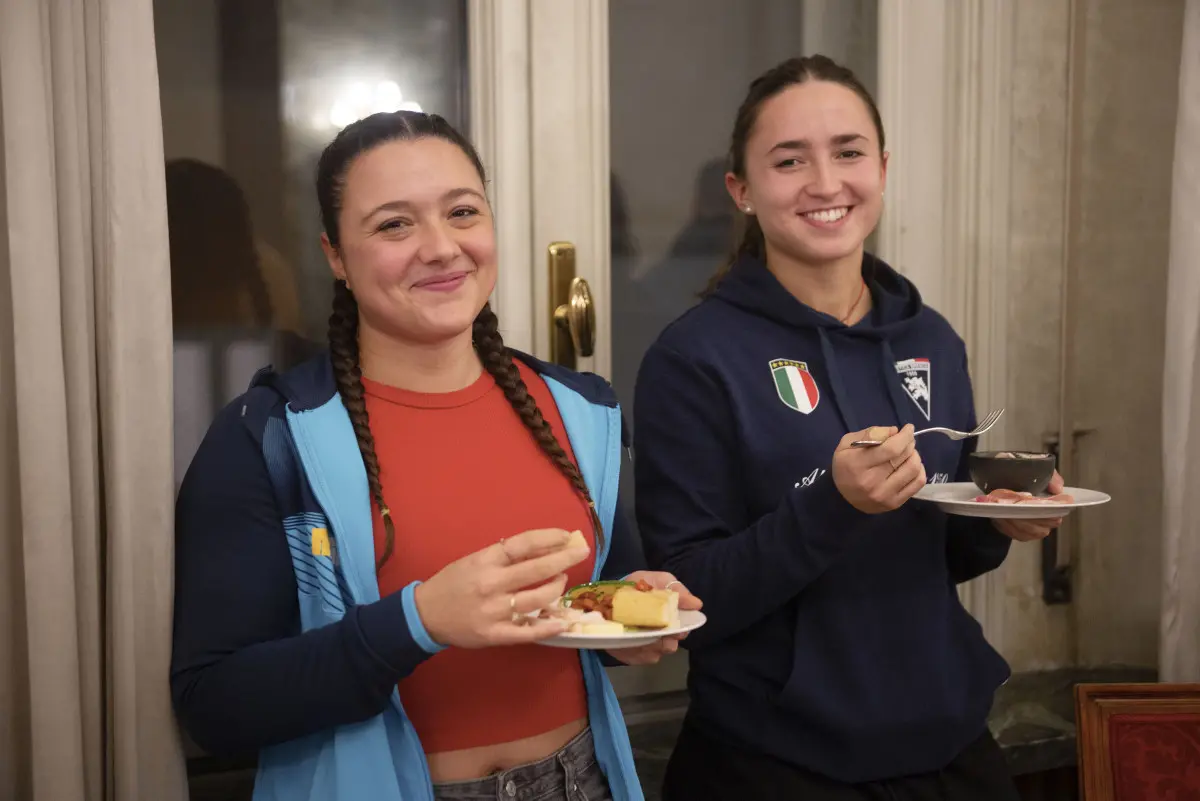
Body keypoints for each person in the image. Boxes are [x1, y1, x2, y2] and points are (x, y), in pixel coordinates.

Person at [170, 110, 700, 801]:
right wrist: (416, 622)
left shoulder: (582, 410)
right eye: (394, 224)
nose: (442, 247)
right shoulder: (271, 436)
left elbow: (597, 598)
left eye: (462, 211)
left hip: (583, 780)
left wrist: (631, 620)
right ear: (335, 254)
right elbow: (215, 702)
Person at [632, 55, 1065, 801]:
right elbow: (689, 596)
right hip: (773, 759)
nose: (826, 183)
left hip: (950, 740)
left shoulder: (931, 337)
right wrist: (833, 504)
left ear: (884, 168)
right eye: (789, 160)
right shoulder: (693, 357)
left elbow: (939, 555)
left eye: (849, 152)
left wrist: (1002, 517)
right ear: (741, 189)